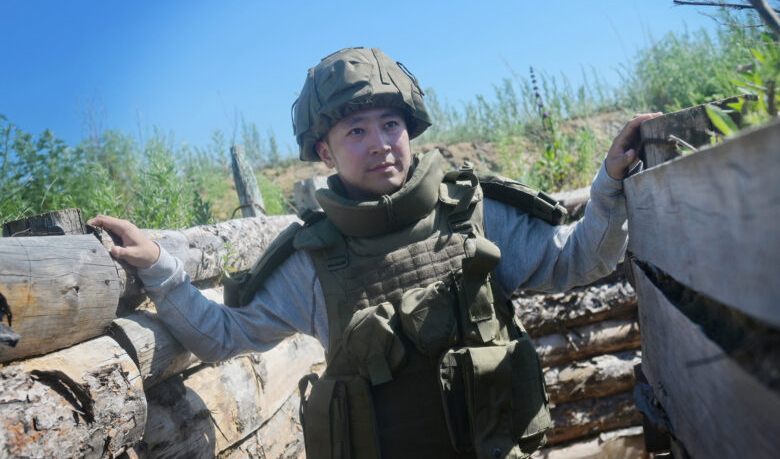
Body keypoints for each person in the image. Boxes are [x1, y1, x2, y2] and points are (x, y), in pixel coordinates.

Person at [89, 47, 658, 459]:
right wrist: (160, 268)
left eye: (390, 124)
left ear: (410, 130)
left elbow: (580, 259)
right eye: (356, 131)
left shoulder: (474, 213)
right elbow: (224, 336)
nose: (381, 144)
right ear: (325, 152)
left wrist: (609, 184)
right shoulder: (313, 259)